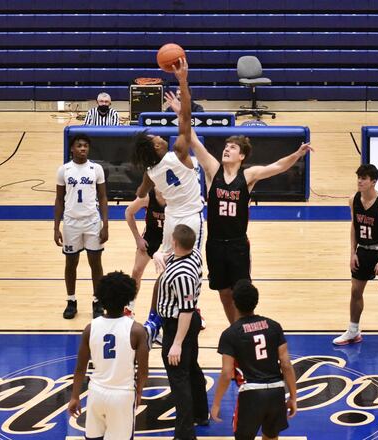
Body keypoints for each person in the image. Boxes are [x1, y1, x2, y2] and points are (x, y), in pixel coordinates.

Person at [169, 85, 313, 323]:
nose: (227, 149)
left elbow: (277, 167)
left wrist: (297, 154)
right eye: (226, 147)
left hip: (237, 245)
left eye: (232, 148)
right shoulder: (212, 170)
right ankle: (235, 329)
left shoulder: (248, 176)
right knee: (224, 293)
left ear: (242, 156)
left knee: (241, 293)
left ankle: (245, 329)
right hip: (214, 244)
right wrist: (180, 114)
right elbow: (192, 138)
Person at [132, 57, 205, 343]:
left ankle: (153, 321)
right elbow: (187, 120)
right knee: (191, 268)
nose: (159, 136)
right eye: (154, 138)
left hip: (171, 219)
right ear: (156, 147)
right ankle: (189, 311)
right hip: (190, 219)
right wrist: (183, 82)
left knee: (163, 268)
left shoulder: (151, 172)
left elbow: (140, 194)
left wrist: (150, 185)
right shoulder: (179, 152)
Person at [333, 164, 378, 357]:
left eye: (364, 178)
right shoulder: (353, 200)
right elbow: (354, 227)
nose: (359, 181)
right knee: (355, 291)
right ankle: (354, 330)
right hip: (363, 252)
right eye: (358, 177)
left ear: (373, 181)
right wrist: (352, 253)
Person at [210, 280, 298, 440]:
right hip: (276, 392)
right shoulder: (274, 326)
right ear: (256, 301)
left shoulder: (230, 334)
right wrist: (293, 396)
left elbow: (226, 373)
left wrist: (216, 403)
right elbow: (286, 364)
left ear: (234, 303)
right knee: (271, 437)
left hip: (251, 394)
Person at [67, 271, 149, 440]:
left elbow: (80, 368)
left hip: (97, 393)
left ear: (101, 297)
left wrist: (75, 396)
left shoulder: (91, 328)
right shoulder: (137, 330)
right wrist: (139, 392)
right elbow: (143, 371)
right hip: (122, 395)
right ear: (128, 298)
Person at [156, 224, 209, 438]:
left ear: (176, 243)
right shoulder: (193, 253)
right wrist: (159, 255)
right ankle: (200, 413)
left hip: (179, 325)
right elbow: (169, 255)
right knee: (191, 369)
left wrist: (177, 343)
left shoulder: (183, 275)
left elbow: (186, 311)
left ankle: (185, 433)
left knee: (179, 378)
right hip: (184, 323)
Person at [55, 134, 109, 319]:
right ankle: (71, 300)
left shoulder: (97, 169)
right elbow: (59, 199)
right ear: (72, 149)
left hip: (92, 221)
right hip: (71, 222)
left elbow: (102, 197)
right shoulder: (64, 170)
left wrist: (105, 225)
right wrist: (56, 227)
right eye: (79, 145)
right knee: (71, 263)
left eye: (86, 145)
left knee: (96, 263)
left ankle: (97, 301)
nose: (83, 148)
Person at [124, 189, 166, 296]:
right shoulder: (147, 197)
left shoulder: (174, 195)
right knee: (137, 271)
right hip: (152, 234)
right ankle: (130, 307)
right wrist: (138, 238)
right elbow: (129, 212)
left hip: (170, 235)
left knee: (172, 272)